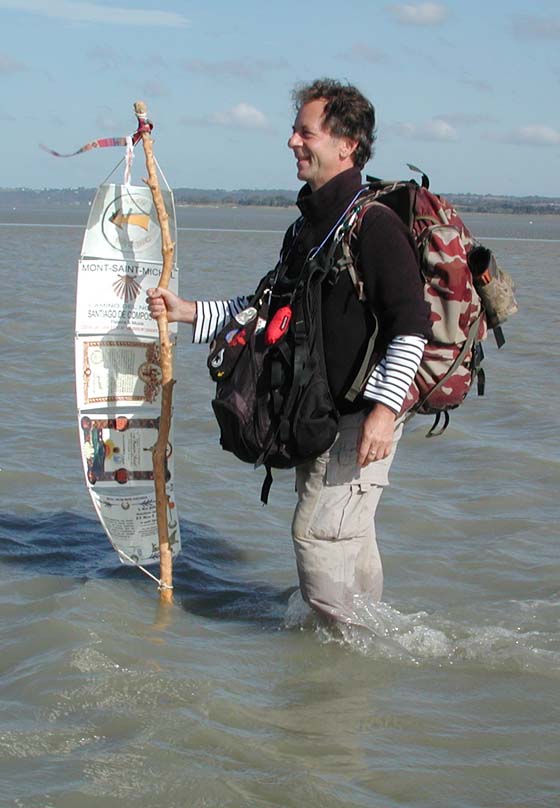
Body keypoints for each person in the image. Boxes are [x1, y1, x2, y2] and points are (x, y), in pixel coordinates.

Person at [147, 79, 432, 625]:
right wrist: (188, 313)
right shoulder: (308, 225)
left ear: (346, 145)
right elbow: (267, 310)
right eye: (294, 130)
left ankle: (331, 665)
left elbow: (411, 325)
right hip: (319, 419)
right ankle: (371, 648)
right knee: (348, 536)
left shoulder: (374, 225)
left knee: (316, 535)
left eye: (306, 131)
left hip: (359, 419)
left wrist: (383, 412)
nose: (291, 141)